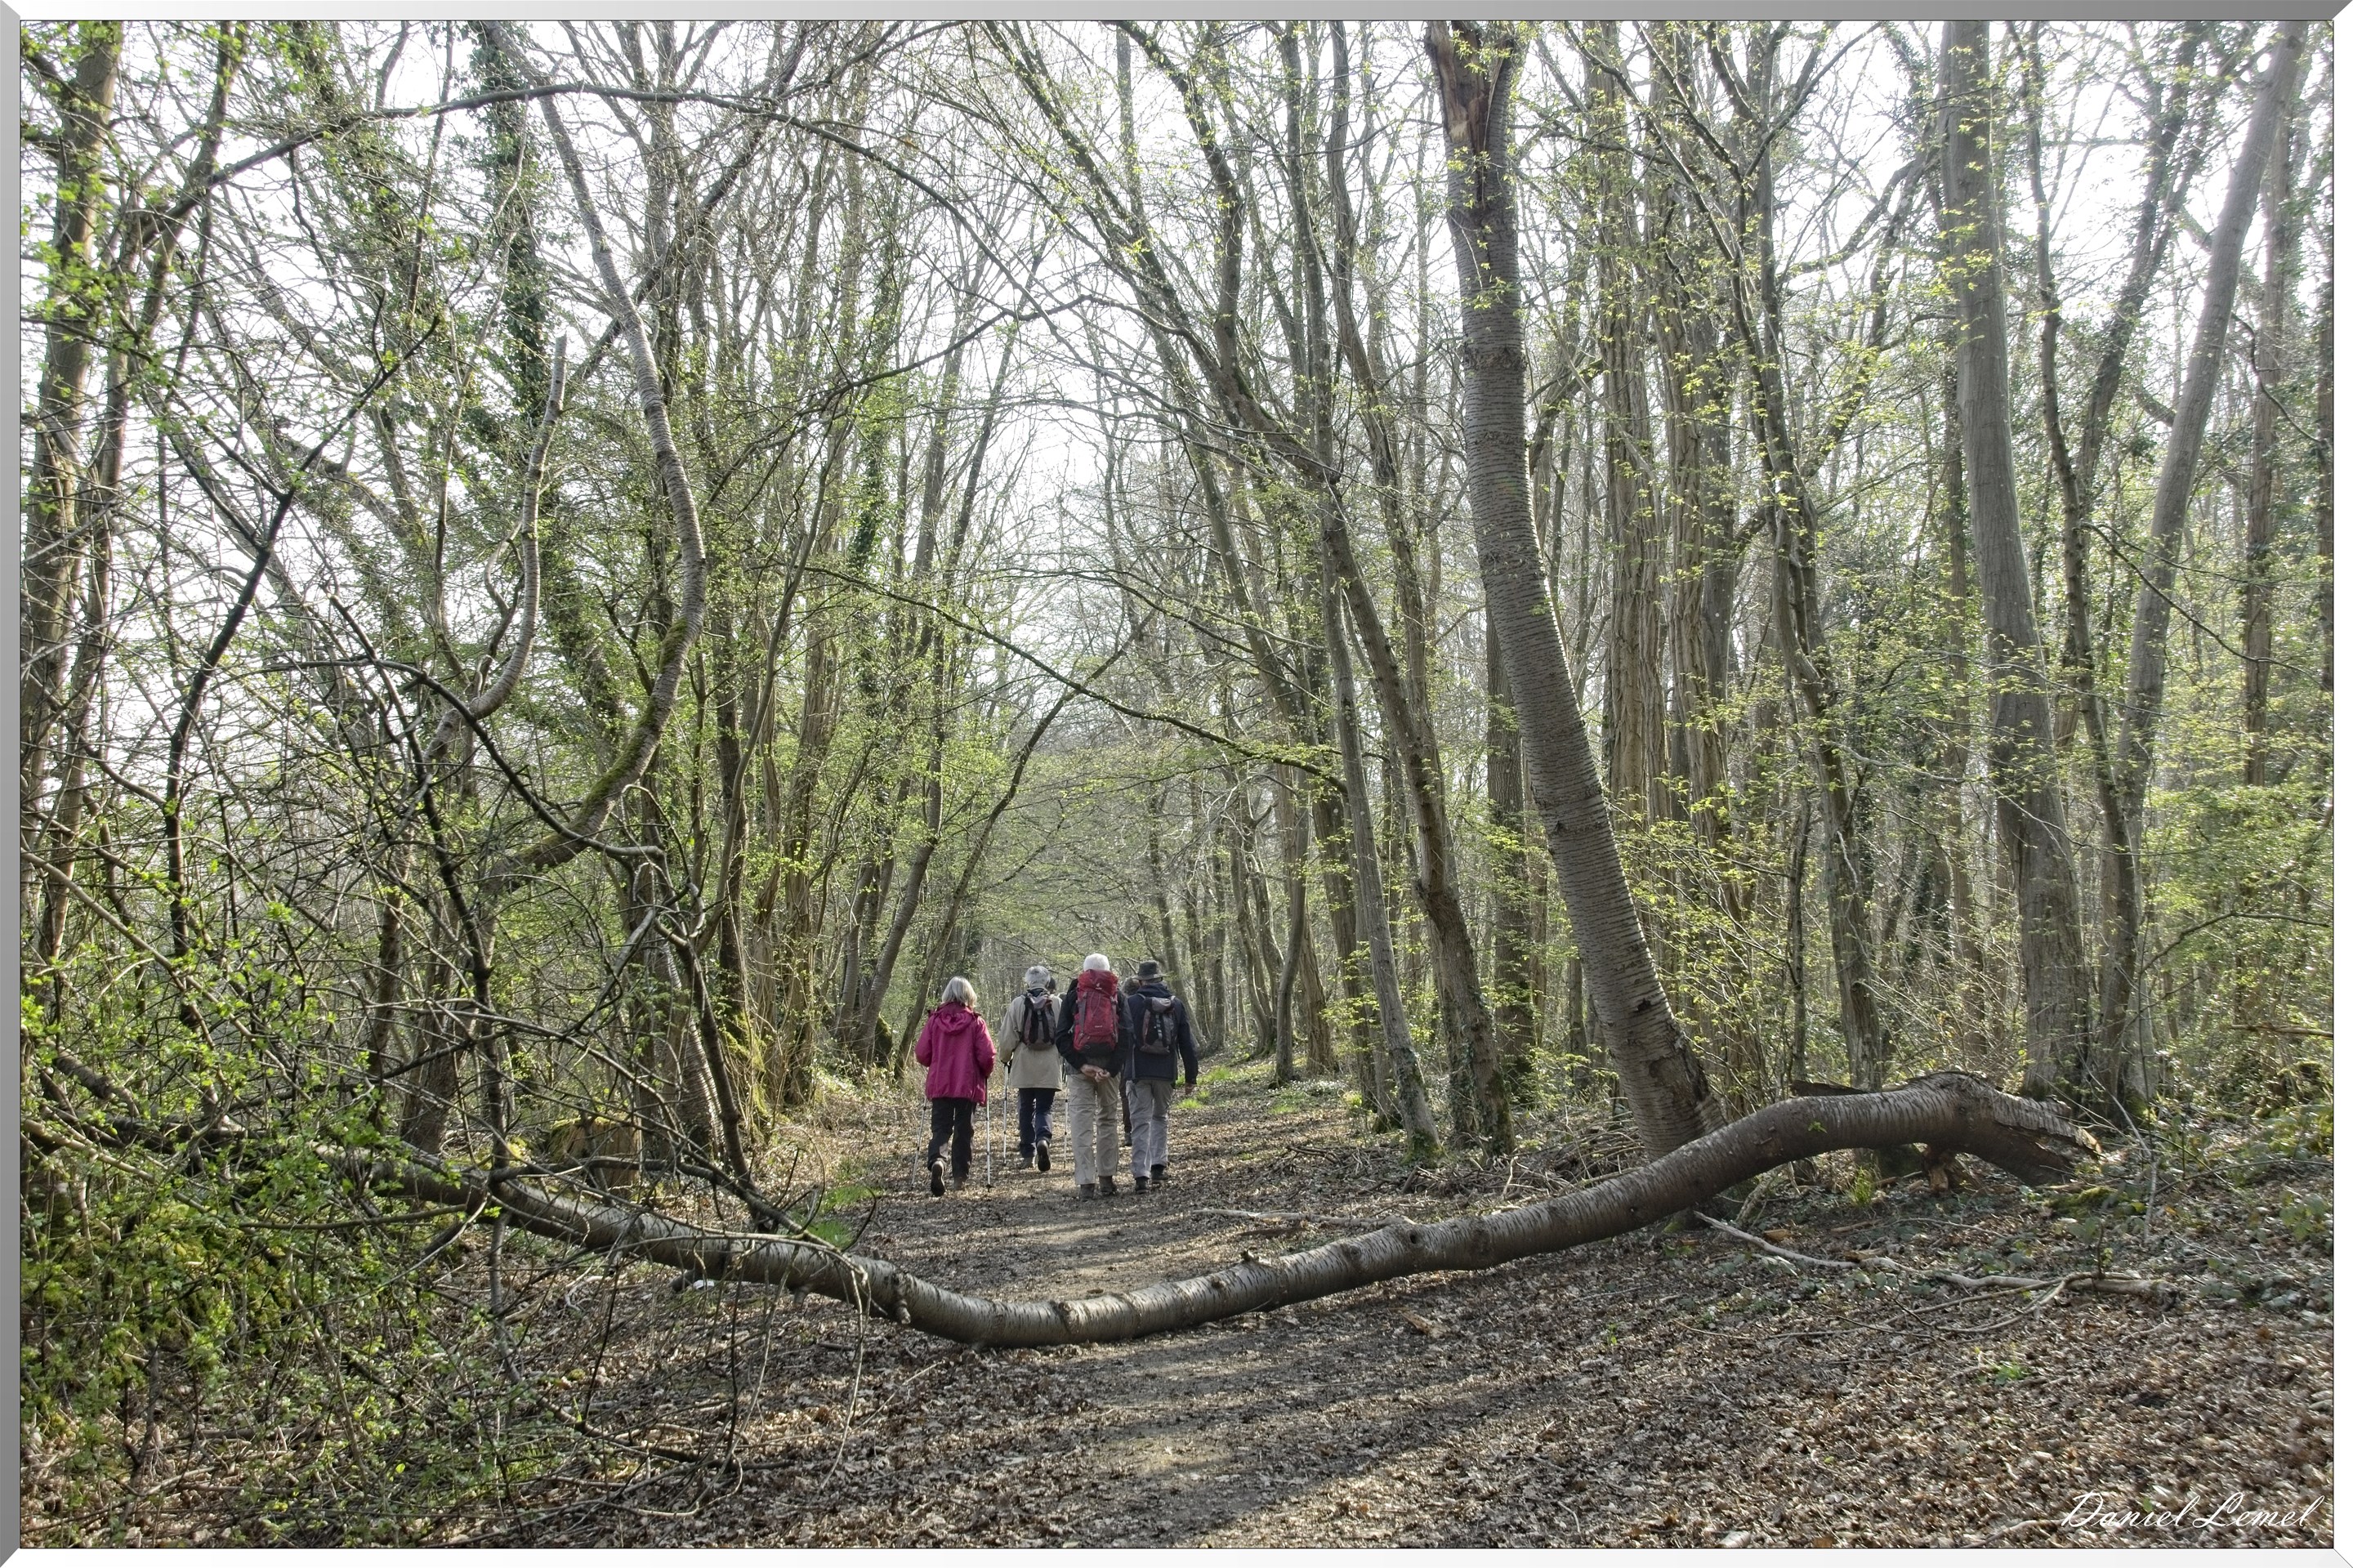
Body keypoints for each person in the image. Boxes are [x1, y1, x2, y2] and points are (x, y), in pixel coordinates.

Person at [913, 976, 996, 1197]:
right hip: (966, 1085)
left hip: (941, 1084)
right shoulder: (975, 1022)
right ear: (969, 996)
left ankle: (938, 1161)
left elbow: (922, 1054)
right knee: (964, 1131)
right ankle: (959, 1177)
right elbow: (987, 1055)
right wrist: (985, 1072)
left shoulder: (934, 1021)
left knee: (940, 1128)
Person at [1119, 958, 1197, 1192]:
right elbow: (1187, 1044)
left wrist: (1120, 1068)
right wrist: (1191, 1077)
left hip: (1138, 1071)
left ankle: (1140, 1176)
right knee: (1160, 1118)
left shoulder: (1131, 1003)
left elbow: (1123, 1038)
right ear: (1160, 979)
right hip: (1166, 1072)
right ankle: (1158, 1168)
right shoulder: (1176, 1005)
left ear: (1141, 981)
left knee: (1140, 1122)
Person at [1054, 954, 1127, 1199]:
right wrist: (1112, 1069)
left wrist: (1081, 1064)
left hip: (1079, 1070)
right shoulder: (1117, 995)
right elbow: (1128, 1036)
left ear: (1083, 971)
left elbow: (1061, 1036)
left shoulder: (1074, 995)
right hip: (1109, 1069)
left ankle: (1086, 1183)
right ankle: (1107, 1180)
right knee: (1107, 1120)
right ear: (1108, 971)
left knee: (1081, 1123)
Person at [998, 965, 1062, 1172]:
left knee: (1026, 1108)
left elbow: (1008, 1037)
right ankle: (1043, 1138)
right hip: (1049, 1063)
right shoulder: (1057, 1003)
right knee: (1045, 1107)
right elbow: (1064, 1034)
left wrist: (1004, 1058)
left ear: (1027, 982)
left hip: (1024, 1063)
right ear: (1047, 982)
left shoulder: (1018, 1003)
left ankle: (1029, 1153)